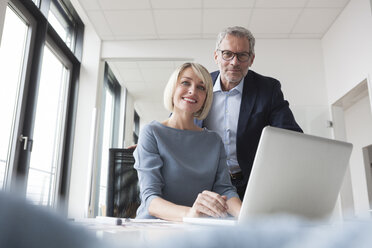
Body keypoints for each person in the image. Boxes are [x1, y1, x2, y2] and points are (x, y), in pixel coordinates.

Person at [202, 26, 303, 200]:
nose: (235, 62)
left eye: (242, 55)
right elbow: (178, 124)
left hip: (250, 183)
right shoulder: (200, 84)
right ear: (216, 56)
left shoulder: (268, 89)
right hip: (205, 182)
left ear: (251, 59)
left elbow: (290, 135)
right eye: (227, 54)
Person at [134, 62, 241, 221]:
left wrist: (246, 215)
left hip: (198, 227)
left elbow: (224, 190)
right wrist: (190, 214)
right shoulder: (152, 133)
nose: (192, 91)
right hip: (157, 227)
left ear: (206, 98)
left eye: (201, 87)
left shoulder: (213, 141)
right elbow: (151, 200)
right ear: (173, 89)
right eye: (185, 83)